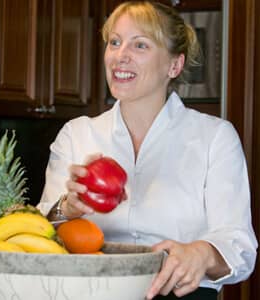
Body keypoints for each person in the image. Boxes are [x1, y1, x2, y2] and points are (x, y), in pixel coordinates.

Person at [37, 1, 258, 299]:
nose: (120, 56)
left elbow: (240, 249)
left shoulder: (214, 138)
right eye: (114, 42)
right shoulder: (77, 134)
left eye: (140, 45)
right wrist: (68, 207)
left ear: (174, 65)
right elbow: (37, 237)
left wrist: (202, 253)